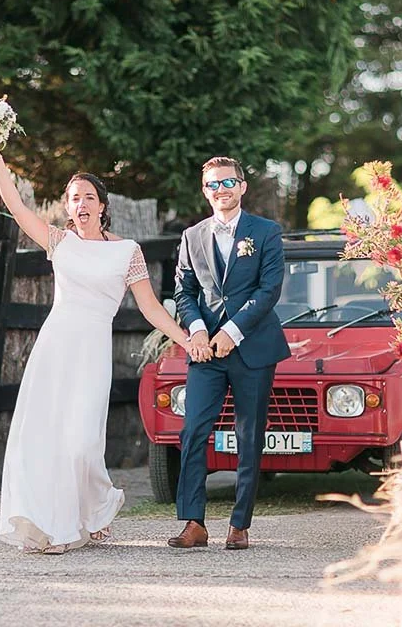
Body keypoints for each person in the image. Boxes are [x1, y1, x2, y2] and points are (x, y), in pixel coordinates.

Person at [0, 129, 193, 555]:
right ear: (68, 208)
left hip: (92, 352)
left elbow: (150, 308)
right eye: (74, 198)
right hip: (55, 348)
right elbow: (15, 205)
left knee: (81, 445)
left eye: (88, 196)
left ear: (102, 206)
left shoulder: (127, 251)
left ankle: (97, 506)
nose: (81, 204)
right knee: (42, 437)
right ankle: (53, 525)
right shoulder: (60, 242)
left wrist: (186, 339)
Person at [167, 156, 290, 551]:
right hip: (205, 353)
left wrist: (232, 333)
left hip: (252, 347)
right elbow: (184, 292)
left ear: (242, 187)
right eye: (213, 185)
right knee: (193, 431)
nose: (220, 190)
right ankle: (193, 522)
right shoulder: (192, 236)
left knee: (247, 434)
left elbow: (268, 290)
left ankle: (239, 524)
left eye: (227, 183)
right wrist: (199, 332)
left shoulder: (266, 232)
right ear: (205, 191)